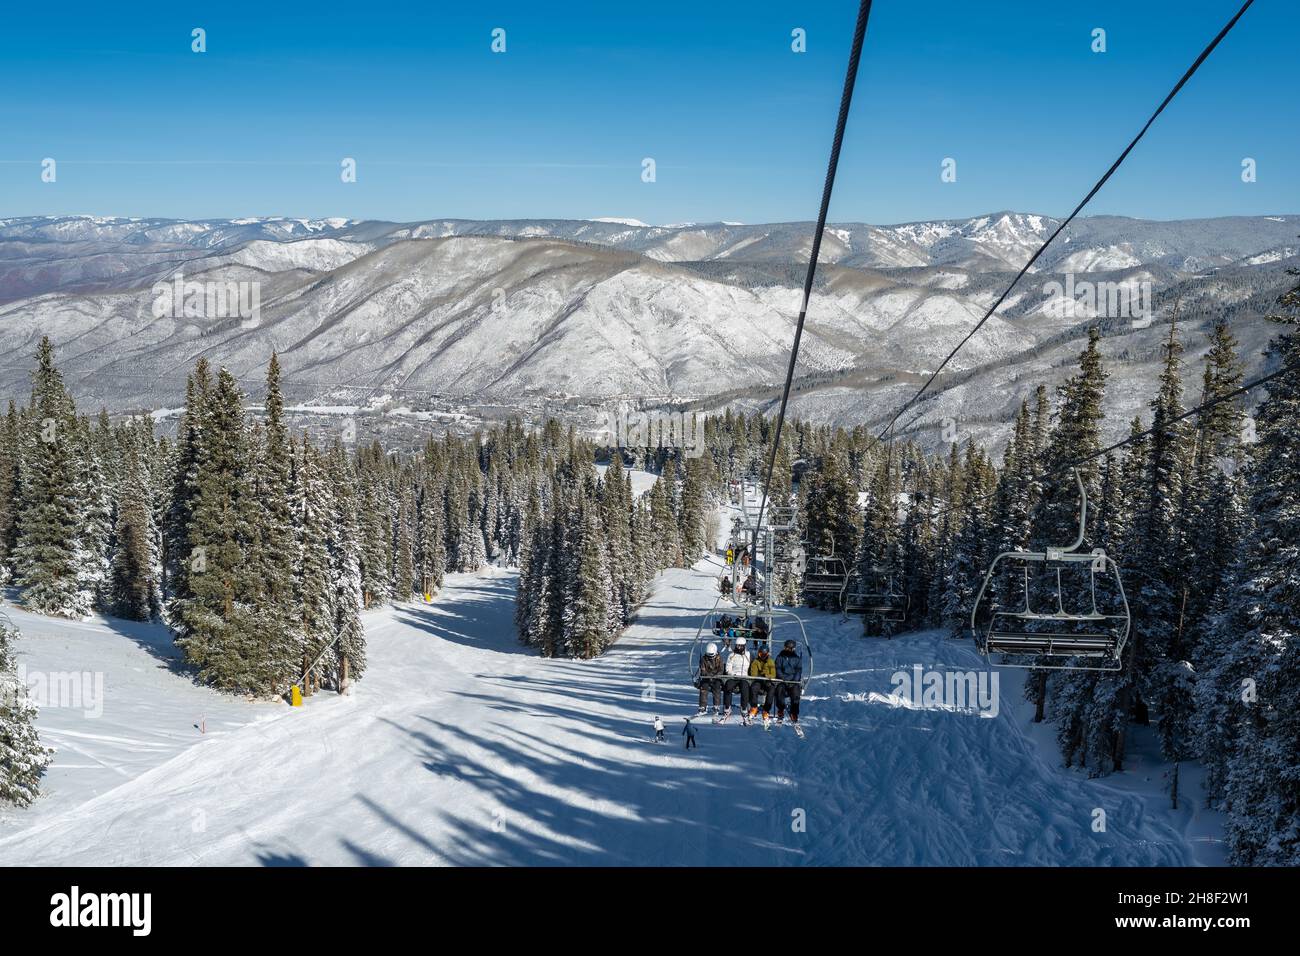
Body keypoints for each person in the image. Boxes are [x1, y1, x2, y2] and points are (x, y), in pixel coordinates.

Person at [722, 635, 752, 722]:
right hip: (734, 676)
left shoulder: (748, 655)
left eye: (740, 646)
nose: (738, 647)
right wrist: (732, 674)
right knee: (728, 686)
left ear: (744, 646)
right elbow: (728, 668)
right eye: (737, 645)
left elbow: (752, 666)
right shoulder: (732, 655)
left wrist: (749, 676)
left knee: (745, 687)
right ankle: (727, 708)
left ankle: (744, 708)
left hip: (744, 676)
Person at [774, 638, 803, 725]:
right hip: (782, 680)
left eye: (789, 648)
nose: (787, 649)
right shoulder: (780, 657)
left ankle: (794, 713)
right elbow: (777, 668)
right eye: (786, 648)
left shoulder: (797, 659)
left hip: (793, 681)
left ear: (793, 649)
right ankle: (781, 709)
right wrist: (783, 677)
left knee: (796, 693)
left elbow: (798, 671)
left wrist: (794, 680)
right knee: (779, 690)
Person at [748, 643, 776, 723]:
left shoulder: (770, 662)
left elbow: (773, 674)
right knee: (754, 688)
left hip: (767, 681)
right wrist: (761, 675)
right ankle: (754, 707)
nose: (763, 656)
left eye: (764, 654)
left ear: (767, 654)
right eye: (761, 654)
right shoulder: (756, 661)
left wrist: (766, 676)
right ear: (759, 654)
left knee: (771, 690)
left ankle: (766, 710)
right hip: (758, 681)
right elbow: (753, 674)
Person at [697, 642, 725, 716]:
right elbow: (703, 670)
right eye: (709, 656)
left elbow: (721, 669)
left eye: (712, 656)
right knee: (704, 688)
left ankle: (716, 706)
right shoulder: (703, 659)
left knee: (717, 688)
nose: (710, 658)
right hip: (706, 677)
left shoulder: (719, 658)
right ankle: (703, 706)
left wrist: (716, 675)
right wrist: (708, 676)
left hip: (716, 678)